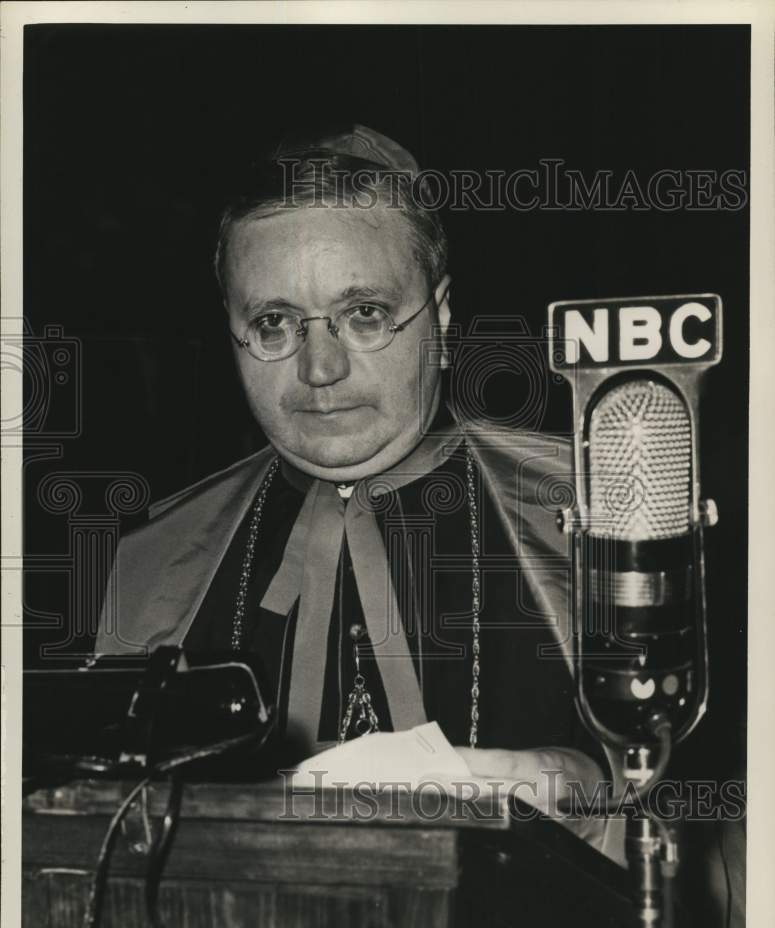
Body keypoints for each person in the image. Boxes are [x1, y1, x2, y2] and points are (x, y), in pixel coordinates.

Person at [95, 124, 615, 852]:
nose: (318, 369)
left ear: (438, 314)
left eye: (363, 314)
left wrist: (591, 801)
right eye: (273, 322)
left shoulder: (607, 509)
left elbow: (725, 862)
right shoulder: (156, 557)